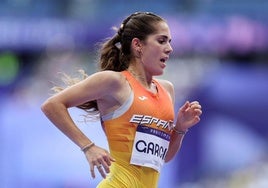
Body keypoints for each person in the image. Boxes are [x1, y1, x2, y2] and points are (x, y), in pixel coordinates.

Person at [41, 12, 202, 188]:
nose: (170, 48)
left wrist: (180, 128)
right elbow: (52, 105)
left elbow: (163, 158)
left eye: (170, 42)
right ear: (138, 45)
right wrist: (88, 147)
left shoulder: (167, 89)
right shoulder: (114, 81)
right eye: (162, 41)